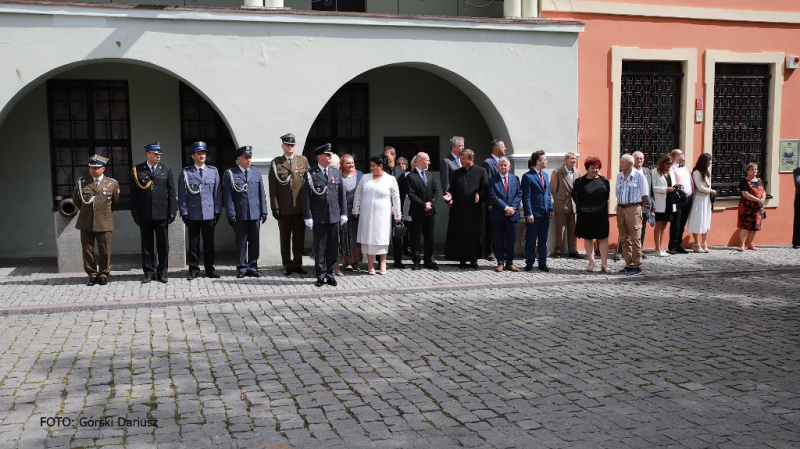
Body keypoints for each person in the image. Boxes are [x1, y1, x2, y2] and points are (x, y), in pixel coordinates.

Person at [130, 142, 177, 284]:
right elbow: (134, 195)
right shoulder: (137, 170)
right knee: (147, 245)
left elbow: (171, 193)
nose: (158, 156)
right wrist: (135, 214)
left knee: (163, 245)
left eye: (159, 154)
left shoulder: (166, 170)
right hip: (145, 214)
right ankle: (149, 273)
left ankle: (162, 272)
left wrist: (172, 212)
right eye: (155, 154)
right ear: (147, 154)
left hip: (162, 213)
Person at [302, 143, 347, 287]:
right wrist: (308, 216)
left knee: (333, 247)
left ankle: (330, 274)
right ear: (320, 157)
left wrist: (344, 213)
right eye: (327, 155)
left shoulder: (335, 172)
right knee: (320, 247)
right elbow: (306, 197)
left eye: (330, 155)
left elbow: (342, 195)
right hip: (319, 216)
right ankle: (320, 275)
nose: (330, 157)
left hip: (334, 215)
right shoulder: (310, 174)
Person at [72, 154, 120, 286]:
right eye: (91, 168)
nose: (93, 170)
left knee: (105, 250)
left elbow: (115, 203)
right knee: (87, 250)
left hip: (104, 222)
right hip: (86, 222)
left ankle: (104, 273)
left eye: (96, 168)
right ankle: (92, 274)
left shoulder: (112, 183)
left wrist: (104, 214)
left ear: (103, 169)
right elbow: (77, 201)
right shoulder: (82, 182)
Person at [178, 141, 222, 280]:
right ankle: (194, 269)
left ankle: (210, 269)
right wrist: (184, 212)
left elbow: (217, 193)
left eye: (203, 153)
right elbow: (183, 194)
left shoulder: (213, 172)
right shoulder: (186, 173)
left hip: (209, 213)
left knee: (209, 244)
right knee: (194, 244)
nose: (202, 155)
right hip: (193, 213)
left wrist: (217, 211)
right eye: (199, 153)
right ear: (193, 156)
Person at [223, 145, 268, 278]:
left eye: (250, 157)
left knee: (254, 241)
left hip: (255, 212)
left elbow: (261, 193)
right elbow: (228, 196)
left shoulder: (256, 173)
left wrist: (264, 211)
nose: (249, 160)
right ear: (239, 159)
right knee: (241, 242)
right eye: (246, 157)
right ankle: (242, 267)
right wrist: (231, 213)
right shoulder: (231, 174)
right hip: (240, 214)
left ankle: (253, 266)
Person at [352, 155, 402, 275]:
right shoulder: (365, 177)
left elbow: (396, 197)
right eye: (371, 166)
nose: (371, 168)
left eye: (374, 166)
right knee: (368, 237)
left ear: (381, 166)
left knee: (381, 237)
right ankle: (370, 264)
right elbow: (358, 194)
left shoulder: (390, 179)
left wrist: (398, 215)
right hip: (366, 214)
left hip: (382, 214)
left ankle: (382, 263)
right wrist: (355, 210)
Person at [269, 133, 310, 276]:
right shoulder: (276, 163)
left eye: (292, 145)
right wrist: (275, 207)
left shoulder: (302, 161)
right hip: (284, 207)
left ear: (295, 146)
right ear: (283, 146)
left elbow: (308, 185)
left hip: (299, 207)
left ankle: (298, 263)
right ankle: (287, 264)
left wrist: (308, 206)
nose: (290, 147)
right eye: (287, 145)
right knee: (285, 238)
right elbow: (273, 187)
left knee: (299, 238)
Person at [444, 149, 489, 269]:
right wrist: (449, 195)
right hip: (459, 209)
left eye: (463, 159)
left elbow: (485, 188)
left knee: (474, 234)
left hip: (475, 209)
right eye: (460, 159)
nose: (461, 161)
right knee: (461, 233)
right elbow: (452, 188)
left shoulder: (481, 171)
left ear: (471, 159)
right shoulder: (457, 172)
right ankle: (462, 259)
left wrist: (480, 195)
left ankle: (474, 260)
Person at [572, 156, 610, 273]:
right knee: (588, 238)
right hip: (586, 215)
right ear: (587, 168)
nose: (595, 170)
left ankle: (604, 264)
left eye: (597, 168)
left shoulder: (604, 181)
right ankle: (591, 262)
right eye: (593, 168)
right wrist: (584, 208)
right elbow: (575, 196)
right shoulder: (579, 182)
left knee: (603, 238)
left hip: (601, 214)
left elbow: (607, 196)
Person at [614, 154, 647, 276]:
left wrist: (637, 207)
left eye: (623, 162)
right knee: (624, 237)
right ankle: (629, 264)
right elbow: (617, 193)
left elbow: (645, 195)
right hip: (621, 208)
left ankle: (637, 265)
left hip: (633, 207)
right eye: (620, 162)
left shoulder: (639, 176)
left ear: (630, 164)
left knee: (635, 237)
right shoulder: (619, 176)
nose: (620, 164)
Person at [405, 152, 439, 271]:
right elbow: (412, 194)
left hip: (430, 212)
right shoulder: (411, 176)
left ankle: (428, 260)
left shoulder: (430, 175)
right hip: (417, 212)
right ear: (419, 161)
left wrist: (431, 203)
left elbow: (436, 191)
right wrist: (423, 205)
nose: (429, 162)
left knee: (429, 237)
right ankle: (416, 261)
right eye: (427, 160)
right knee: (416, 237)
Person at [521, 150, 554, 272]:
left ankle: (542, 262)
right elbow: (526, 197)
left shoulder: (545, 175)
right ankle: (529, 262)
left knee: (543, 239)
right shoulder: (528, 176)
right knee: (531, 239)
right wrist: (529, 213)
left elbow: (547, 194)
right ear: (538, 161)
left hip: (545, 213)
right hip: (534, 213)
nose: (546, 162)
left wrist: (550, 208)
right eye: (544, 159)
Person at [488, 157, 522, 272]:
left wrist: (512, 208)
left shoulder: (515, 178)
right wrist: (506, 208)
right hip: (498, 215)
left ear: (509, 167)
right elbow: (493, 197)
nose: (503, 167)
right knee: (498, 240)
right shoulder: (493, 180)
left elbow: (519, 194)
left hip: (512, 215)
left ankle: (510, 263)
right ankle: (500, 263)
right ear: (498, 167)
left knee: (511, 240)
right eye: (501, 165)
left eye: (505, 165)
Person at [550, 151, 581, 259]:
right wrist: (559, 198)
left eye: (575, 158)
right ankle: (558, 250)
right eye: (572, 158)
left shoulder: (577, 172)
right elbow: (553, 189)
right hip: (561, 204)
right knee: (560, 229)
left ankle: (572, 250)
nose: (574, 160)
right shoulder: (557, 172)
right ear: (566, 160)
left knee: (573, 229)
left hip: (573, 205)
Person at [383, 146, 408, 268]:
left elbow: (402, 192)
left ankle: (398, 260)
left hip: (396, 209)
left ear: (394, 156)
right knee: (382, 235)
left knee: (397, 235)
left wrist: (397, 207)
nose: (385, 158)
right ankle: (381, 261)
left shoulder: (400, 172)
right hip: (383, 207)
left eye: (387, 156)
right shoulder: (382, 170)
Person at [481, 140, 506, 261]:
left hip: (503, 200)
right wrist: (489, 202)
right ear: (496, 149)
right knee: (491, 227)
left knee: (501, 226)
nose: (505, 148)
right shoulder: (488, 163)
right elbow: (487, 183)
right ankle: (489, 250)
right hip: (492, 200)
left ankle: (500, 249)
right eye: (503, 147)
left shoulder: (502, 162)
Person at [687, 153, 716, 253]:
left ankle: (704, 242)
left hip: (706, 199)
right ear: (705, 161)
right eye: (709, 160)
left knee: (706, 220)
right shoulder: (696, 172)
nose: (711, 162)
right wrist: (711, 191)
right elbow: (700, 187)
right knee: (698, 220)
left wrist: (709, 191)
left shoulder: (706, 173)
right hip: (699, 199)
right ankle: (696, 243)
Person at [441, 136, 465, 260]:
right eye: (460, 145)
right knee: (454, 225)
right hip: (454, 198)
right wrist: (448, 199)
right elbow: (446, 182)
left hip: (464, 198)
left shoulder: (463, 160)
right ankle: (452, 252)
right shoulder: (446, 161)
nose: (462, 147)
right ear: (453, 147)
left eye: (463, 145)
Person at [651, 154, 678, 257]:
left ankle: (662, 247)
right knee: (659, 225)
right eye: (667, 164)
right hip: (660, 202)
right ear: (662, 163)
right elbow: (653, 187)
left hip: (670, 201)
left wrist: (676, 187)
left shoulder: (671, 172)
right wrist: (665, 189)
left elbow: (672, 184)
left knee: (665, 225)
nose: (669, 166)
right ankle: (657, 248)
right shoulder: (655, 172)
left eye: (671, 164)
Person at [340, 154, 363, 272]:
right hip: (343, 211)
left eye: (352, 162)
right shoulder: (339, 175)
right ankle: (346, 262)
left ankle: (355, 261)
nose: (351, 164)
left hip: (357, 211)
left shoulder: (360, 175)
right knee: (345, 237)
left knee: (356, 237)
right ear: (342, 164)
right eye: (348, 163)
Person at [737, 162, 766, 251]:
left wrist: (763, 199)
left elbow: (763, 191)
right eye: (752, 169)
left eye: (755, 169)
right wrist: (757, 199)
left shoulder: (759, 180)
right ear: (747, 171)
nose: (754, 171)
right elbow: (745, 194)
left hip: (758, 207)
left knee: (755, 226)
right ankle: (742, 244)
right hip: (747, 206)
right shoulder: (744, 181)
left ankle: (750, 243)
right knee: (745, 225)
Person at [668, 149, 693, 254]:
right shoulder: (672, 168)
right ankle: (672, 246)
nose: (684, 155)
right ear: (677, 156)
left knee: (682, 223)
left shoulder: (685, 168)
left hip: (688, 198)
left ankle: (679, 245)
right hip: (678, 199)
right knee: (676, 222)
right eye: (682, 154)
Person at [632, 151, 654, 251]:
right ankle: (622, 251)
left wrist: (652, 202)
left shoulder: (648, 172)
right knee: (629, 228)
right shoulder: (628, 171)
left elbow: (651, 189)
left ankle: (639, 250)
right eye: (637, 158)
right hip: (631, 204)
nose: (639, 160)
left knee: (642, 229)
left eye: (641, 158)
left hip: (645, 205)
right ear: (633, 160)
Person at [397, 156, 413, 257]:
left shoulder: (410, 175)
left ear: (407, 166)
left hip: (409, 204)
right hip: (400, 205)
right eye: (399, 164)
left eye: (403, 164)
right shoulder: (396, 176)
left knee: (410, 228)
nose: (401, 166)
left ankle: (408, 247)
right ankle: (399, 248)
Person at [794, 166, 800, 249]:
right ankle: (796, 242)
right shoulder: (797, 171)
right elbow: (798, 182)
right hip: (799, 197)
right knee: (798, 220)